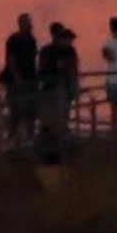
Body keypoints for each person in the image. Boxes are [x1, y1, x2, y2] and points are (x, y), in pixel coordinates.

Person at [0, 13, 38, 146]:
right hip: (15, 81)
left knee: (30, 108)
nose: (30, 25)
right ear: (21, 24)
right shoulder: (14, 39)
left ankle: (29, 137)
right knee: (16, 109)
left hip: (29, 79)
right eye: (27, 23)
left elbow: (32, 60)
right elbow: (11, 60)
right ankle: (12, 138)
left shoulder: (31, 40)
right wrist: (18, 79)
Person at [36, 22, 69, 162]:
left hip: (57, 88)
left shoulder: (64, 50)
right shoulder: (48, 51)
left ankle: (55, 147)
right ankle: (51, 149)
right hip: (51, 88)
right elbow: (43, 69)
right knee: (51, 120)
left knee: (58, 118)